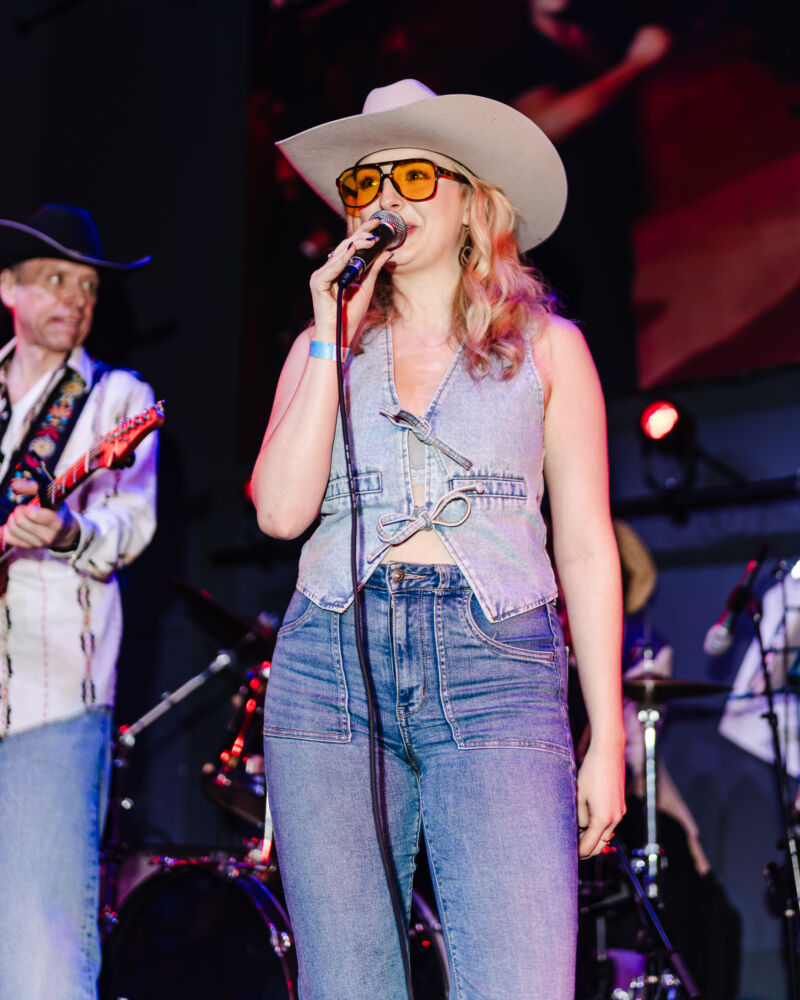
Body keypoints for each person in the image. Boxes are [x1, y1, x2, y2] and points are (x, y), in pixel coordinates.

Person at [252, 79, 625, 999]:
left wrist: (608, 734)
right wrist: (327, 336)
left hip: (497, 667)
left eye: (412, 176)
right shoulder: (320, 350)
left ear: (470, 201)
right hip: (330, 666)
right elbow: (280, 513)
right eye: (364, 184)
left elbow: (585, 546)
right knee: (349, 984)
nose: (384, 197)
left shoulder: (549, 347)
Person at [0, 204, 158, 1000]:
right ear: (10, 289)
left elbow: (130, 524)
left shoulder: (115, 398)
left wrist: (67, 532)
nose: (76, 298)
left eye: (88, 286)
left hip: (51, 698)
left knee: (42, 949)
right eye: (56, 280)